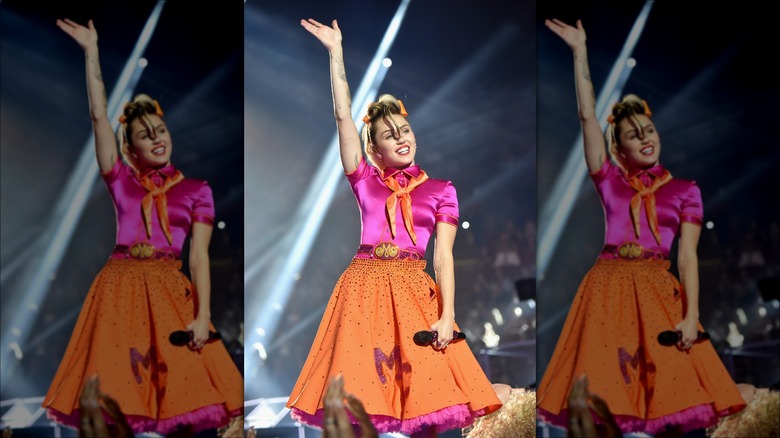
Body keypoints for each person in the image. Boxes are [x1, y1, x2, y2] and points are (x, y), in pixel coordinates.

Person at [285, 18, 502, 437]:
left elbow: (443, 257)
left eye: (404, 130)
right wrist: (337, 54)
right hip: (362, 289)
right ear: (375, 148)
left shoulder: (442, 190)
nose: (401, 138)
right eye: (389, 135)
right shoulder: (365, 179)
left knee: (430, 403)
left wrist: (447, 316)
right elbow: (343, 116)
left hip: (413, 291)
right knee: (362, 407)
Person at [536, 19, 746, 435]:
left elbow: (686, 258)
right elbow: (586, 117)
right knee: (615, 406)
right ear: (619, 147)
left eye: (649, 130)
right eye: (634, 135)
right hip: (608, 290)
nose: (645, 138)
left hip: (657, 292)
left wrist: (692, 316)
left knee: (670, 402)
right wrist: (580, 53)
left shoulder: (686, 190)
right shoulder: (610, 181)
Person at [42, 19, 243, 435]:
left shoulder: (196, 189)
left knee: (191, 394)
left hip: (170, 290)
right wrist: (92, 53)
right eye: (144, 134)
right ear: (130, 148)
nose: (156, 138)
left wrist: (203, 315)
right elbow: (100, 117)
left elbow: (199, 258)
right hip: (117, 289)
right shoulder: (122, 180)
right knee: (119, 403)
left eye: (161, 129)